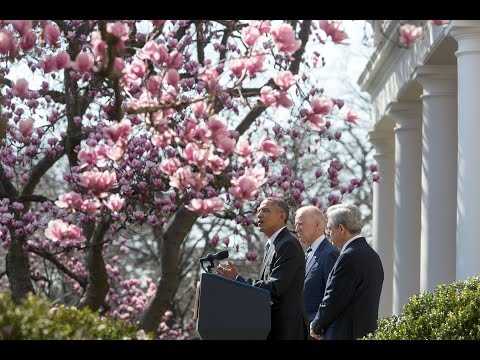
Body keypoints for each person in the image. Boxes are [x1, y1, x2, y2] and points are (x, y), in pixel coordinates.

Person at [217, 197, 307, 340]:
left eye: (265, 210)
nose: (259, 215)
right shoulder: (273, 245)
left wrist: (237, 279)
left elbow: (275, 287)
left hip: (286, 330)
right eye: (258, 211)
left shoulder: (288, 245)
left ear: (282, 216)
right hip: (271, 327)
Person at [310, 203, 384, 340]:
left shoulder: (348, 257)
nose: (328, 234)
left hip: (343, 333)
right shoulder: (373, 255)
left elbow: (334, 298)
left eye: (329, 229)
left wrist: (316, 324)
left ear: (342, 229)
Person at [294, 206, 339, 327]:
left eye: (300, 224)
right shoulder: (308, 253)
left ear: (317, 224)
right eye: (296, 225)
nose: (296, 229)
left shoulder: (329, 253)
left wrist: (318, 325)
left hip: (318, 330)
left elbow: (333, 297)